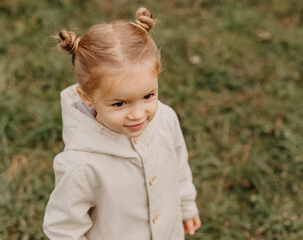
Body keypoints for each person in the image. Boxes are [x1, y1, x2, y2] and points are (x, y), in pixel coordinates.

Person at [43, 7, 201, 240]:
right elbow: (62, 229)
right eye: (120, 104)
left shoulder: (165, 119)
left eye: (148, 96)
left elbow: (179, 166)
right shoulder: (81, 165)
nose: (138, 115)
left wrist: (186, 206)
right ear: (87, 97)